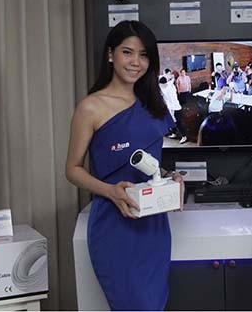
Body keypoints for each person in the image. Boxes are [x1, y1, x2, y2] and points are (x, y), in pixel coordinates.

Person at [65, 20, 184, 310]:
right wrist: (110, 191)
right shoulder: (91, 107)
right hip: (115, 224)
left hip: (154, 224)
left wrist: (171, 177)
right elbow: (72, 169)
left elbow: (154, 165)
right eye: (127, 52)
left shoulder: (153, 104)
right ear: (111, 54)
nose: (136, 62)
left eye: (143, 55)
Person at [160, 76, 187, 144]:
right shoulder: (169, 84)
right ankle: (174, 133)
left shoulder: (168, 87)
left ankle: (184, 136)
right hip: (169, 108)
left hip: (175, 107)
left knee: (178, 122)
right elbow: (172, 79)